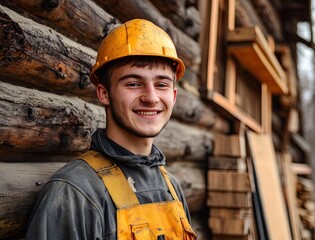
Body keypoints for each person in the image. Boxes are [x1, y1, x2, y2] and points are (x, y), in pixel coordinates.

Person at [26, 18, 197, 240]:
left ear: (173, 97)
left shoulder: (170, 187)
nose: (151, 97)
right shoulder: (74, 192)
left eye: (162, 84)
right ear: (104, 93)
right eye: (133, 84)